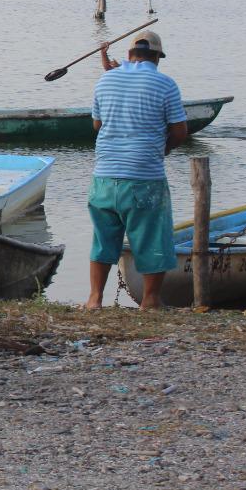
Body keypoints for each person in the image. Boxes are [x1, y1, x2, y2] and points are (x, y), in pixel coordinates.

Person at [87, 30, 188, 309]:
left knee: (103, 239)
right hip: (144, 177)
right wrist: (162, 149)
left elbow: (98, 125)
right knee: (153, 239)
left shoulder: (105, 80)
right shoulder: (165, 84)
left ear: (129, 55)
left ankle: (94, 299)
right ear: (156, 57)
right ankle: (151, 300)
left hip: (104, 177)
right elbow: (180, 131)